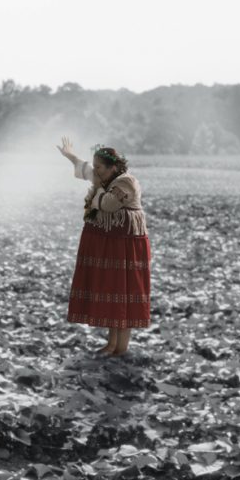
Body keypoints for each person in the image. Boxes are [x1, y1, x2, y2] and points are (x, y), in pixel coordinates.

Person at [56, 139, 151, 357]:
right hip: (111, 245)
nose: (95, 171)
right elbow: (85, 169)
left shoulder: (126, 182)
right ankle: (111, 345)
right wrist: (69, 156)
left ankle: (121, 348)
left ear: (113, 168)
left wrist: (95, 193)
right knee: (112, 293)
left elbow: (109, 204)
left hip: (126, 247)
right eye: (95, 167)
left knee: (124, 294)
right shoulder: (104, 178)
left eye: (99, 167)